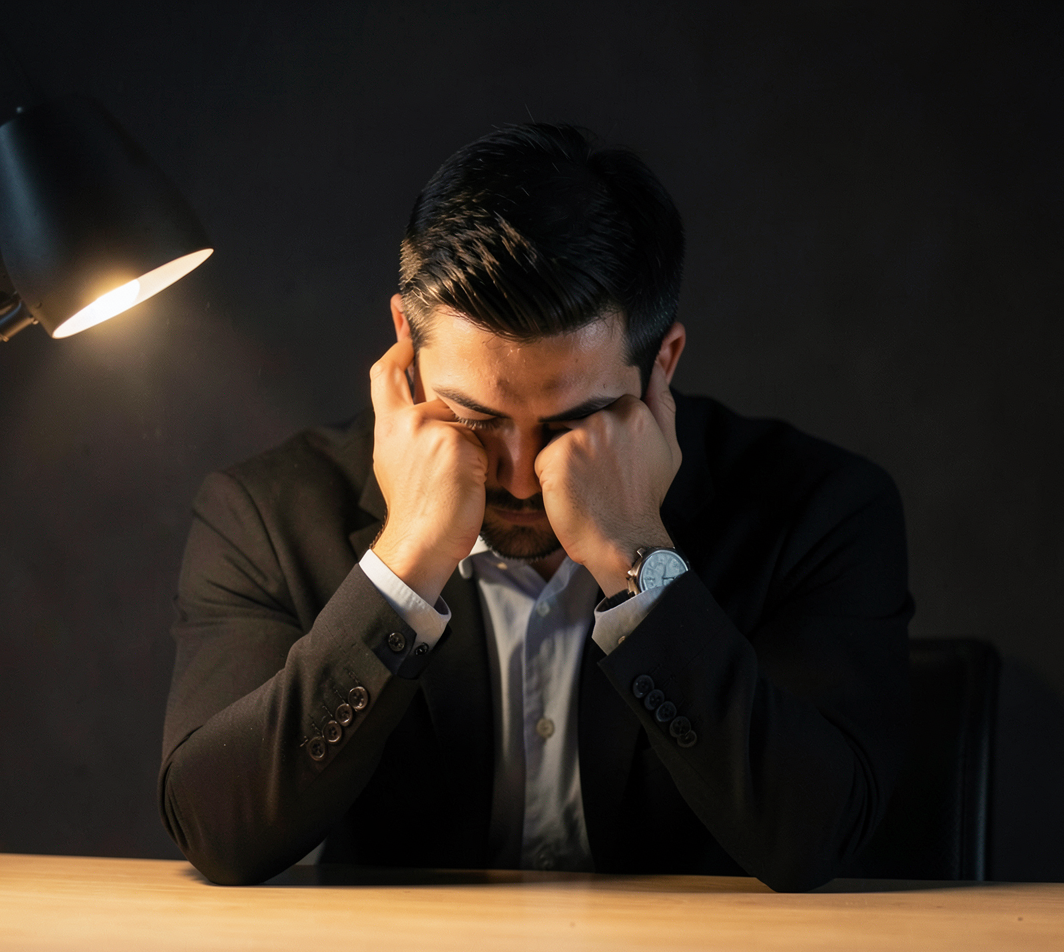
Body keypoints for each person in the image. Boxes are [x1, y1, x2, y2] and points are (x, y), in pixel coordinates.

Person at [159, 123, 911, 893]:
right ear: (405, 346)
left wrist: (640, 558)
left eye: (570, 425)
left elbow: (816, 840)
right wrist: (405, 561)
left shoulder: (820, 511)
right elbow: (221, 834)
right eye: (475, 420)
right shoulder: (264, 516)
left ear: (664, 364)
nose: (519, 477)